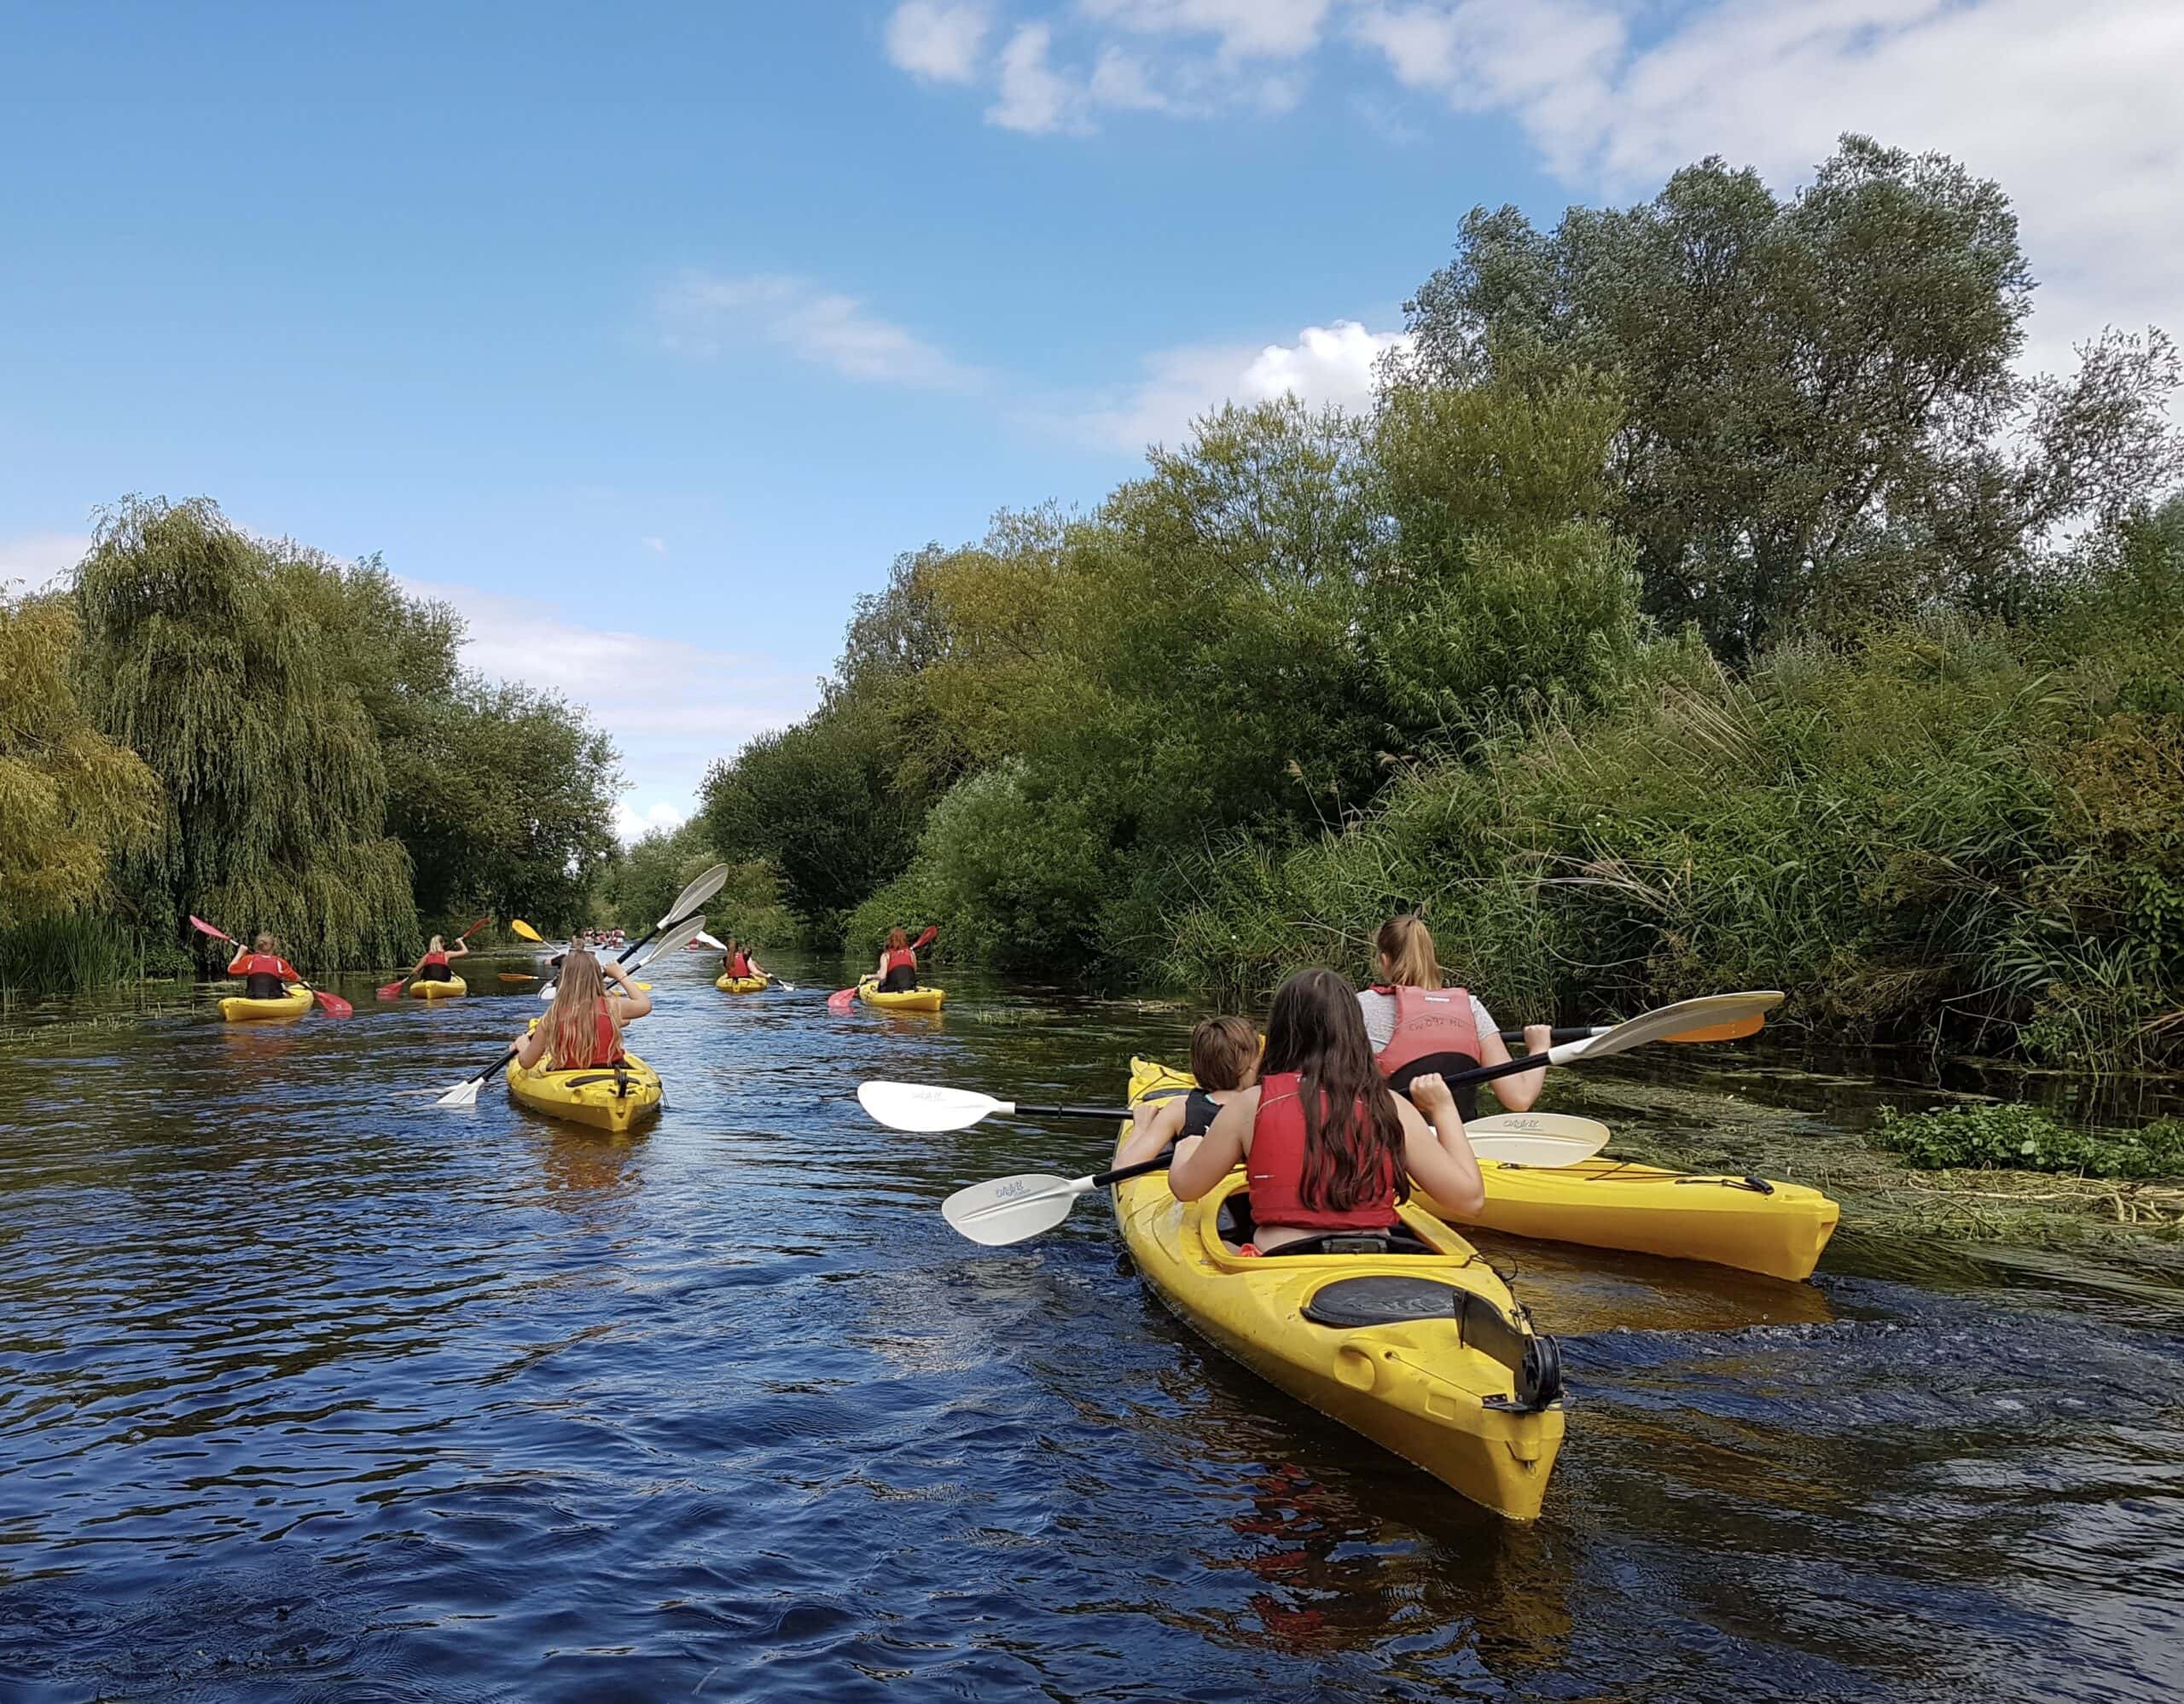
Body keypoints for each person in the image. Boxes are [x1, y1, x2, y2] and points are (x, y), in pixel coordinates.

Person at [1172, 968, 1485, 1255]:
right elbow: (1469, 1200)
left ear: (1280, 1033)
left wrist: (1186, 1149)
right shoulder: (1392, 1107)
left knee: (1220, 1245)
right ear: (1354, 1032)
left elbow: (1186, 1188)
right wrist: (1443, 1108)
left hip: (1283, 1260)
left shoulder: (1250, 1104)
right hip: (1376, 1256)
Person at [1360, 915, 1549, 1120]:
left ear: (1384, 960)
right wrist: (1539, 1048)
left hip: (1391, 1142)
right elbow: (1520, 1098)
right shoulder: (1471, 1008)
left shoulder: (1361, 1006)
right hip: (1455, 1144)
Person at [1118, 1015, 1259, 1168]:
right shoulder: (1263, 1107)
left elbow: (1123, 1168)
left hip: (1194, 1185)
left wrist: (1141, 1126)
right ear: (1249, 1065)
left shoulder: (1180, 1110)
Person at [513, 948, 651, 1072]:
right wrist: (621, 975)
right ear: (597, 977)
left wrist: (522, 1043)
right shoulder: (612, 1006)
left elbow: (527, 1063)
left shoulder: (552, 1016)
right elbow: (645, 1005)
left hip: (567, 1077)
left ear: (563, 979)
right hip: (610, 1072)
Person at [227, 933, 302, 1000]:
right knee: (283, 987)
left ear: (257, 947)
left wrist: (240, 953)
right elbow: (297, 978)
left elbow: (230, 969)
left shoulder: (249, 959)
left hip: (253, 997)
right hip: (274, 998)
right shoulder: (280, 962)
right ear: (273, 946)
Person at [404, 933, 469, 986]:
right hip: (443, 981)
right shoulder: (447, 954)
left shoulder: (427, 956)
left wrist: (416, 974)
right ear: (442, 944)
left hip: (429, 981)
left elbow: (415, 971)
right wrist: (460, 942)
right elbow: (465, 951)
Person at [874, 928, 919, 992]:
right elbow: (914, 969)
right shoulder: (911, 953)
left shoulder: (886, 955)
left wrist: (869, 976)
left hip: (893, 990)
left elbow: (882, 976)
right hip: (910, 988)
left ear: (891, 939)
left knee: (881, 980)